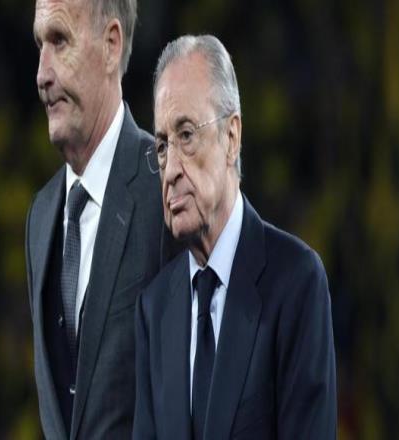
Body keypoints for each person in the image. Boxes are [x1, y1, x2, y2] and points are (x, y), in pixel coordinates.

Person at [133, 35, 337, 440]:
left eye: (186, 135)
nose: (170, 170)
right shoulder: (153, 311)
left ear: (232, 137)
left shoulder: (296, 283)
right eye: (162, 146)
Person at [25, 0, 172, 438]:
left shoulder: (166, 186)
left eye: (59, 41)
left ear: (111, 45)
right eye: (39, 45)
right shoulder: (40, 217)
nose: (41, 74)